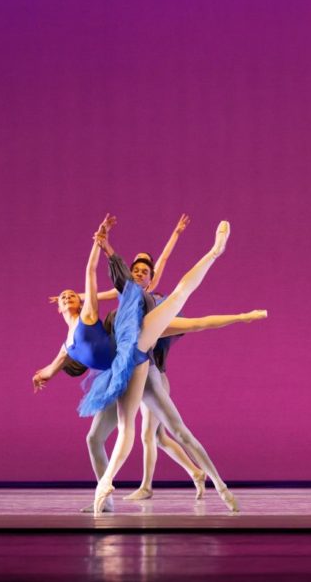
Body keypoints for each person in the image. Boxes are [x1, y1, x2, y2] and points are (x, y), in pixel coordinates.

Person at [34, 215, 263, 514]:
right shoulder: (81, 330)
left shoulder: (119, 303)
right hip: (118, 370)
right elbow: (54, 364)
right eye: (136, 270)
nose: (140, 273)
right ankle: (107, 493)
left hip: (140, 348)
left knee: (170, 430)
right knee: (102, 436)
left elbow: (196, 321)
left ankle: (215, 251)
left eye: (146, 271)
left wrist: (242, 317)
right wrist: (44, 374)